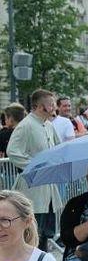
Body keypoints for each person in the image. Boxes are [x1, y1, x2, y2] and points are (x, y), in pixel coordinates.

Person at [6, 90, 62, 247]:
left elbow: (58, 149)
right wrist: (36, 166)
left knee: (45, 234)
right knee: (32, 233)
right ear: (39, 106)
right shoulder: (26, 125)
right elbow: (13, 152)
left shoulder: (49, 125)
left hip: (49, 189)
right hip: (32, 189)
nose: (54, 107)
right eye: (51, 104)